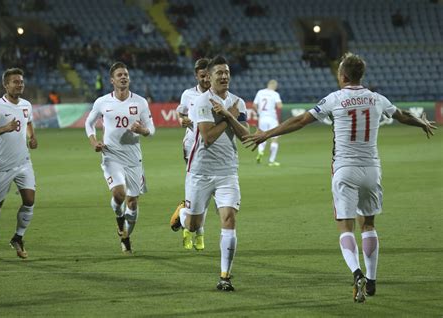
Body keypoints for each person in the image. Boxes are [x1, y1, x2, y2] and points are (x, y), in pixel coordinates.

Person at [243, 52, 436, 302]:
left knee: (346, 226)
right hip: (371, 168)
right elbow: (401, 115)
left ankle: (357, 274)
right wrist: (421, 123)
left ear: (342, 75)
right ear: (360, 75)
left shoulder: (334, 99)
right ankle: (373, 279)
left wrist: (267, 134)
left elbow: (301, 120)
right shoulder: (377, 99)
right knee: (368, 225)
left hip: (345, 168)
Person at [171, 56, 249, 291]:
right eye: (219, 73)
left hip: (227, 172)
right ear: (211, 77)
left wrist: (229, 113)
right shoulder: (202, 102)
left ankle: (225, 276)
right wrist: (227, 115)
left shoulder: (238, 102)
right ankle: (183, 213)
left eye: (227, 72)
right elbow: (208, 137)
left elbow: (246, 135)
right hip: (200, 171)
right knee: (194, 225)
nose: (224, 76)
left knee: (229, 218)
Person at [85, 62, 155, 254]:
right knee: (119, 194)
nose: (123, 77)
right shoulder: (102, 102)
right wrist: (93, 141)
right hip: (111, 155)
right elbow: (89, 123)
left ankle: (125, 236)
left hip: (133, 159)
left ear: (129, 78)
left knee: (132, 204)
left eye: (126, 74)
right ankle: (118, 217)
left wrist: (144, 130)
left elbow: (152, 129)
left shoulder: (140, 102)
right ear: (112, 80)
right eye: (119, 75)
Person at [0, 67, 38, 259]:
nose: (19, 84)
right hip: (1, 165)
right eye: (15, 81)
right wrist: (5, 128)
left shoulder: (26, 105)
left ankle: (18, 238)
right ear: (6, 85)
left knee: (29, 201)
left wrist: (32, 137)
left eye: (21, 81)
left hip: (23, 162)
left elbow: (27, 122)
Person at [169, 58, 211, 251]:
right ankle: (189, 224)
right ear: (196, 76)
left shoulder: (217, 94)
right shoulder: (188, 95)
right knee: (196, 188)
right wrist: (183, 120)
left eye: (208, 75)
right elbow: (181, 115)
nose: (206, 79)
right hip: (192, 145)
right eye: (202, 76)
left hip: (213, 147)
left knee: (208, 192)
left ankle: (198, 230)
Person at [252, 79, 283, 166]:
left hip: (262, 118)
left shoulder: (260, 92)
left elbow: (254, 105)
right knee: (274, 138)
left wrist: (258, 113)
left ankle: (260, 152)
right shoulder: (275, 94)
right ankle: (271, 161)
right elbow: (279, 106)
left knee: (262, 137)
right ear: (275, 86)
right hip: (272, 118)